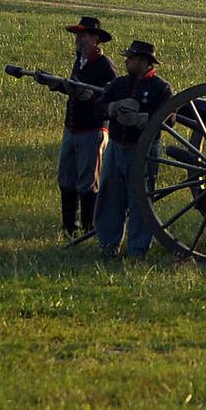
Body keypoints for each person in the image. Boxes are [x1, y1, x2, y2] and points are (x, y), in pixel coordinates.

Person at [93, 40, 173, 259]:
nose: (127, 61)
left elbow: (170, 119)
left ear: (145, 62)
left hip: (143, 151)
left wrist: (145, 119)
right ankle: (108, 244)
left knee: (140, 202)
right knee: (111, 197)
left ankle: (138, 249)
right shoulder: (119, 84)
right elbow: (100, 106)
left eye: (132, 58)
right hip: (117, 146)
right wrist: (113, 108)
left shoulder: (161, 88)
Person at [49, 16, 117, 237]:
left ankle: (89, 228)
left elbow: (111, 97)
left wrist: (90, 96)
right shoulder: (80, 60)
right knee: (66, 179)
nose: (79, 39)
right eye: (78, 35)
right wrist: (57, 85)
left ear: (96, 39)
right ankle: (69, 227)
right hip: (72, 127)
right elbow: (75, 88)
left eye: (84, 35)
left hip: (92, 129)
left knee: (88, 182)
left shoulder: (105, 66)